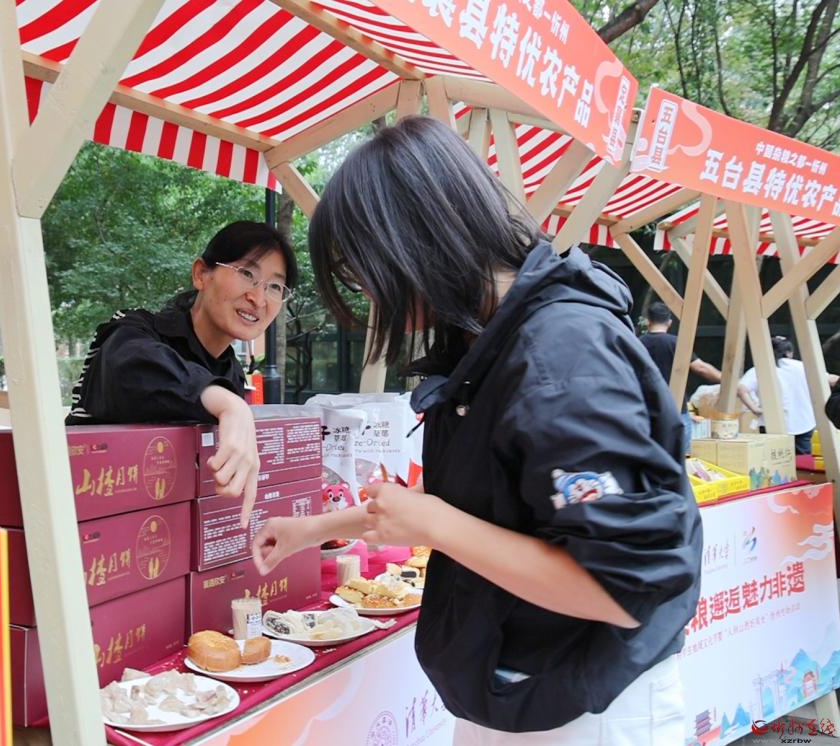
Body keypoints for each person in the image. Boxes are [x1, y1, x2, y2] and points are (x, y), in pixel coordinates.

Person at [251, 117, 701, 744]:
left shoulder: (561, 356)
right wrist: (312, 530)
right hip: (516, 685)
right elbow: (473, 501)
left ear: (414, 240)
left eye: (363, 270)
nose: (370, 294)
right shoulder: (485, 341)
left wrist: (435, 525)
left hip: (587, 706)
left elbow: (622, 587)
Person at [66, 220, 298, 526]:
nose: (259, 297)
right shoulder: (133, 331)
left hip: (169, 529)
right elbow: (129, 368)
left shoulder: (230, 371)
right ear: (201, 274)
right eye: (246, 274)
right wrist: (226, 402)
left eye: (274, 287)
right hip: (87, 520)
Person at [639, 301, 721, 453]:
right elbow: (700, 368)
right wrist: (726, 380)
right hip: (676, 409)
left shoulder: (637, 343)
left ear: (648, 321)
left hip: (646, 410)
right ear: (669, 322)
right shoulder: (676, 343)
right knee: (681, 457)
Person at [736, 336, 822, 454]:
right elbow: (827, 379)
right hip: (803, 421)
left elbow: (740, 389)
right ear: (789, 352)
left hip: (771, 424)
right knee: (802, 460)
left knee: (774, 460)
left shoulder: (760, 369)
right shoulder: (802, 366)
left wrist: (755, 409)